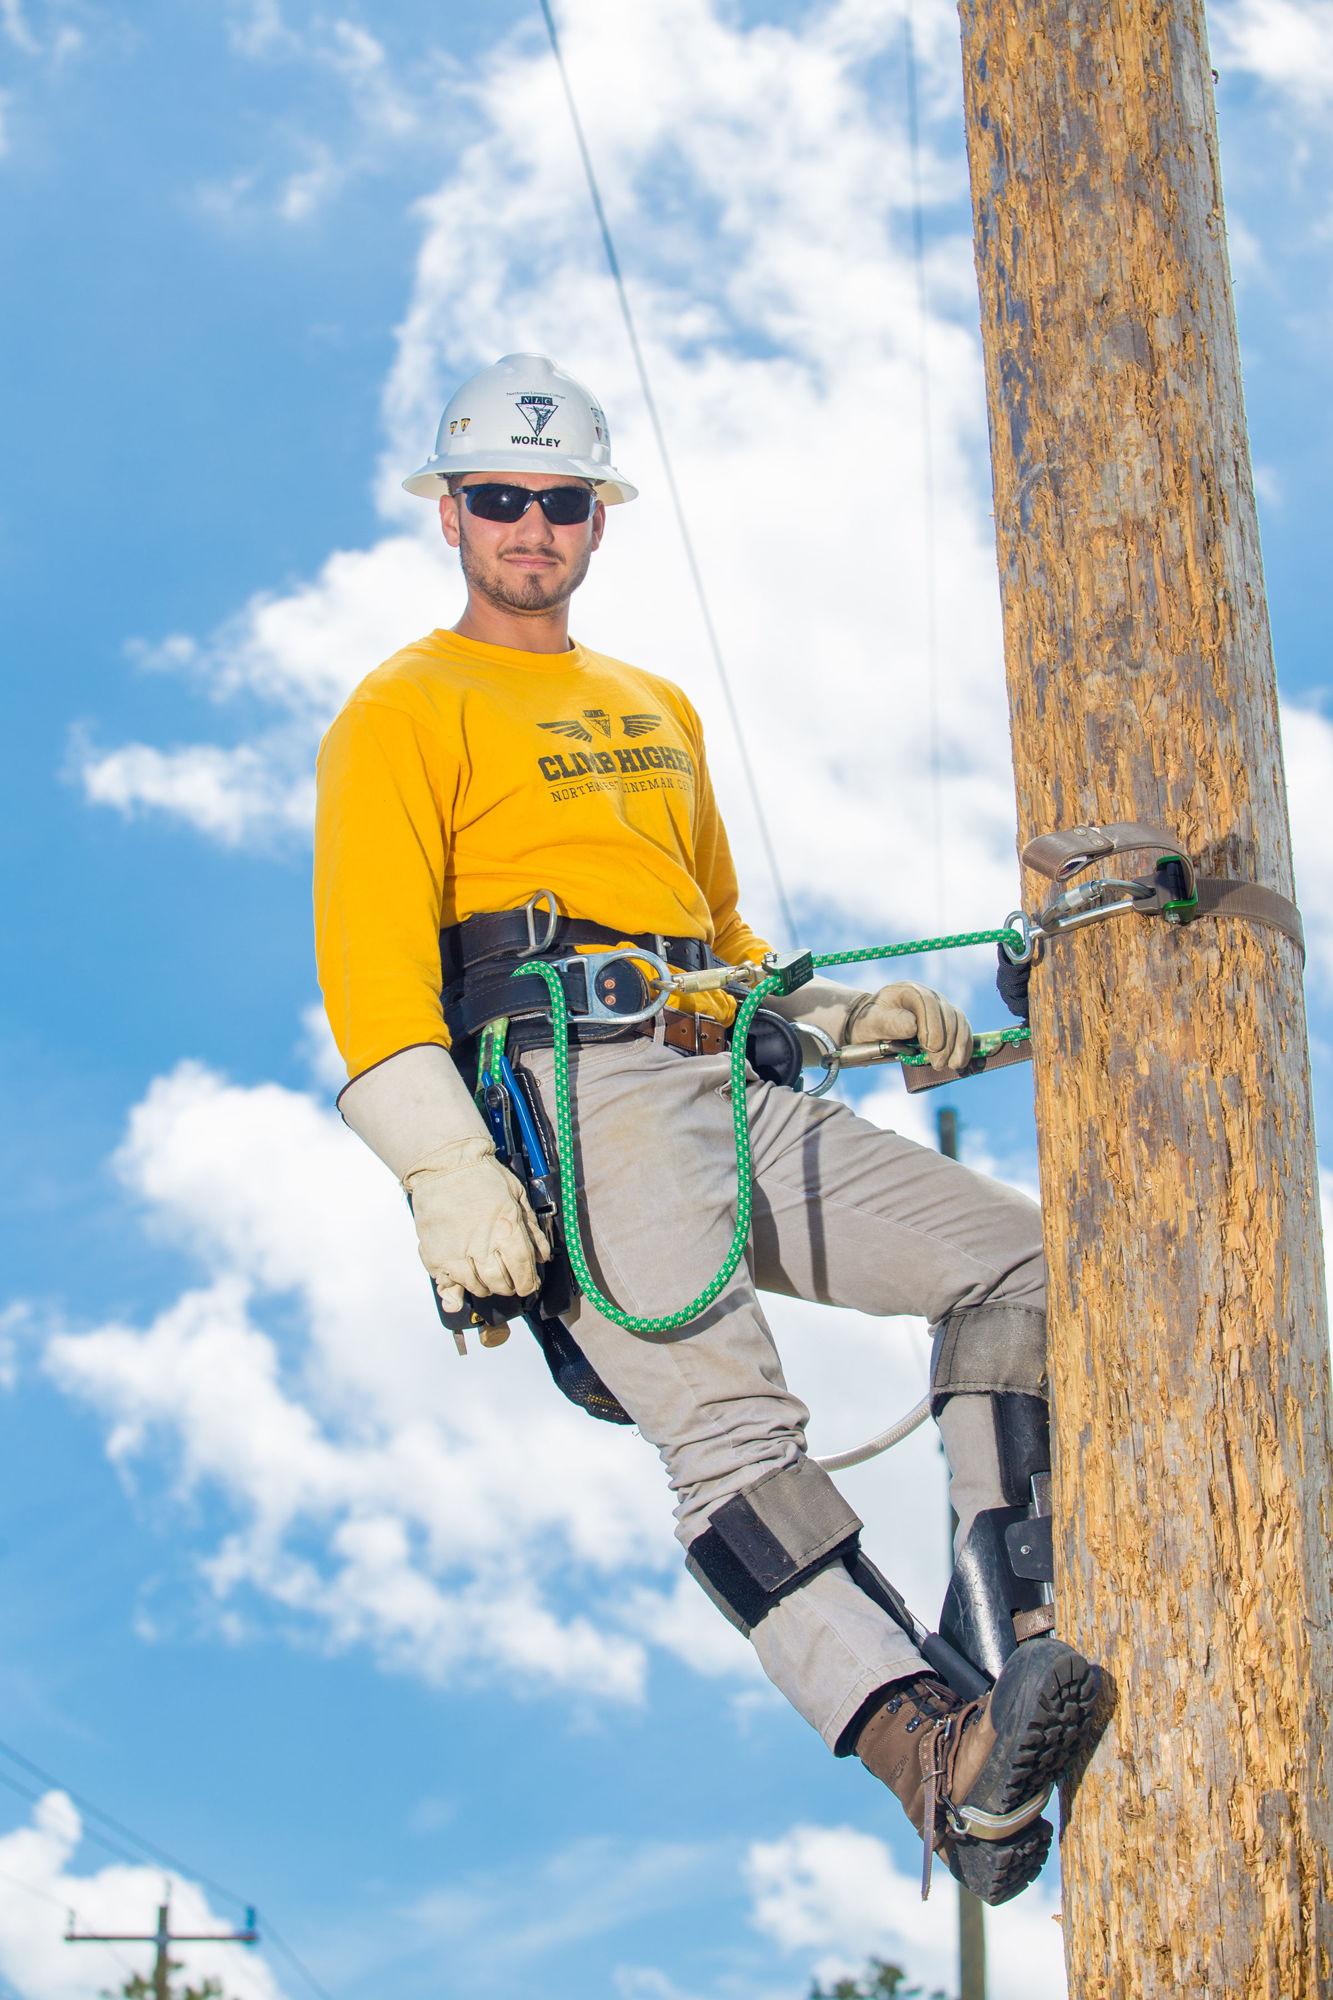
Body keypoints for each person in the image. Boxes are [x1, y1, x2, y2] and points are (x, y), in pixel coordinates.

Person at [314, 353, 1101, 1906]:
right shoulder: (404, 705)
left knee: (1019, 1267)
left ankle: (1026, 1634)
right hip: (567, 1090)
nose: (528, 526)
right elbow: (369, 975)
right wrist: (442, 1167)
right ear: (453, 518)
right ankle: (940, 1766)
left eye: (556, 501)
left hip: (720, 1068)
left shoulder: (648, 704)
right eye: (497, 501)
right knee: (729, 1433)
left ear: (597, 520)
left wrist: (839, 1017)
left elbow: (722, 933)